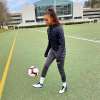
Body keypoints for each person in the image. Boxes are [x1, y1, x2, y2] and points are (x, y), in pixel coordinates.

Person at [33, 8, 68, 94]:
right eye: (44, 20)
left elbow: (62, 44)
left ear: (52, 18)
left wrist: (59, 56)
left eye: (46, 20)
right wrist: (46, 51)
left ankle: (64, 85)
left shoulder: (59, 28)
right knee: (45, 65)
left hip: (61, 51)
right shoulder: (48, 29)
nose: (45, 21)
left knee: (61, 69)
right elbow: (50, 42)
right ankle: (41, 83)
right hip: (52, 50)